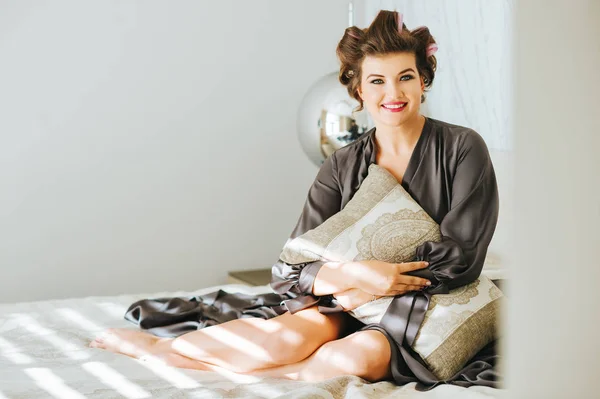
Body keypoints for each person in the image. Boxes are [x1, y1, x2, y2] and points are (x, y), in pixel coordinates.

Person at [90, 10, 500, 388]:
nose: (393, 92)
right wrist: (358, 278)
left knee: (351, 357)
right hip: (346, 299)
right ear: (358, 89)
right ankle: (160, 351)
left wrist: (379, 284)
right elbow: (292, 267)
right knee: (280, 341)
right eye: (377, 80)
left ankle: (268, 376)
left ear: (423, 81)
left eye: (405, 76)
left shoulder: (462, 147)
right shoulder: (341, 164)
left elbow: (461, 254)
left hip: (425, 306)